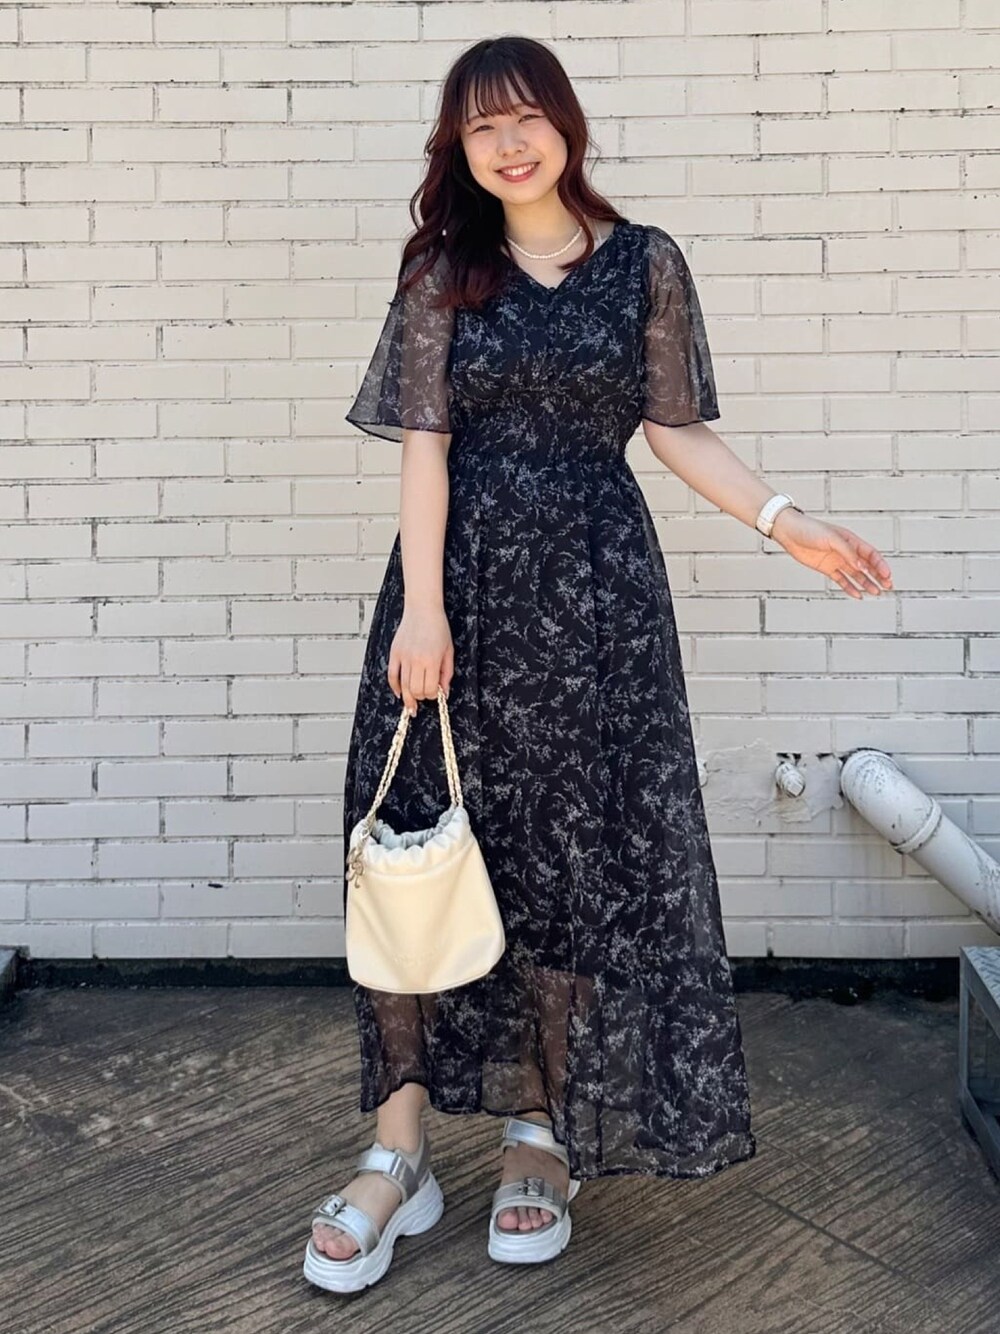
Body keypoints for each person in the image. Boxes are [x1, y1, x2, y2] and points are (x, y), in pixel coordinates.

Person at [304, 35, 894, 1293]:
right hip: (455, 596)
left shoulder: (643, 263)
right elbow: (425, 446)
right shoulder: (443, 272)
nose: (508, 143)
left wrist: (785, 519)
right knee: (414, 842)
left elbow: (676, 428)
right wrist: (422, 609)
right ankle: (397, 1149)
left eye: (525, 116)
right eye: (481, 128)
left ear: (565, 124)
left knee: (568, 852)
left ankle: (540, 1131)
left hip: (595, 599)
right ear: (459, 151)